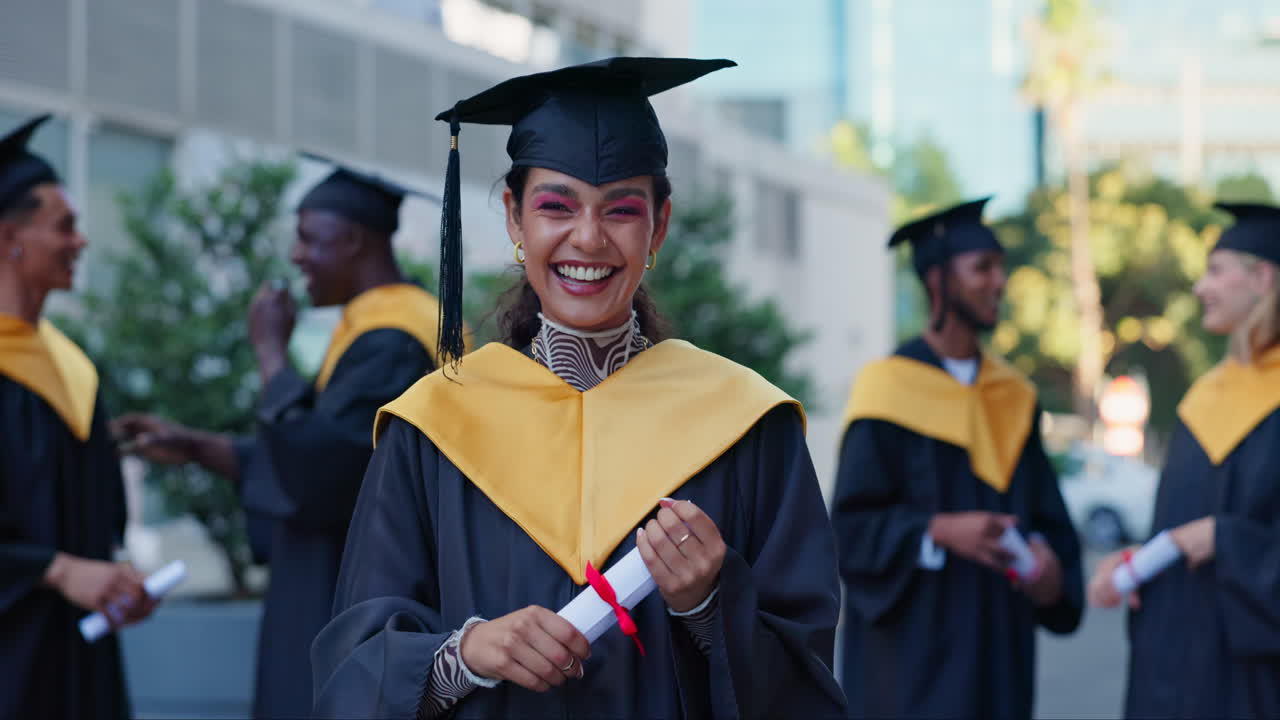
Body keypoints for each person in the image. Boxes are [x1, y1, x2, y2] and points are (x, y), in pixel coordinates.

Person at [310, 56, 847, 720]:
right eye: (555, 207)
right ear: (515, 217)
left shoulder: (745, 423)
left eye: (621, 210)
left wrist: (710, 605)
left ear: (660, 225)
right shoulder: (433, 427)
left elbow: (808, 682)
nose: (587, 239)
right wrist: (464, 654)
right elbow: (354, 671)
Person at [114, 161, 445, 718]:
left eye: (308, 239)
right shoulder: (376, 330)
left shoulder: (394, 340)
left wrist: (270, 352)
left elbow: (319, 472)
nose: (295, 256)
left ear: (353, 241)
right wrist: (194, 445)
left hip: (347, 599)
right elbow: (318, 454)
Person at [831, 198, 1083, 719]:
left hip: (999, 661)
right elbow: (850, 533)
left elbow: (1051, 526)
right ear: (939, 281)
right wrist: (940, 531)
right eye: (983, 268)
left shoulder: (1013, 398)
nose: (999, 282)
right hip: (909, 672)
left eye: (1001, 268)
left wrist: (1052, 570)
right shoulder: (887, 392)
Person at [1089, 202, 1280, 719]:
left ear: (1263, 277)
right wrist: (1139, 564)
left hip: (1251, 684)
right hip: (1172, 668)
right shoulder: (1206, 396)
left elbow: (1209, 533)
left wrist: (1224, 538)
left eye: (1216, 271)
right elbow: (1176, 527)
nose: (1200, 289)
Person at [0, 113, 158, 719]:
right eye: (64, 227)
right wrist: (58, 571)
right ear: (8, 237)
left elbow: (98, 525)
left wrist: (115, 581)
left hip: (79, 665)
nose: (80, 241)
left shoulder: (70, 368)